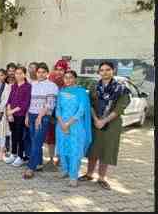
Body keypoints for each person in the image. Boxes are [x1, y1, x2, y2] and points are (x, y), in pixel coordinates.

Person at [79, 62, 130, 190]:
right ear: (99, 72)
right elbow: (88, 104)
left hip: (111, 124)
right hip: (94, 123)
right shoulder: (94, 86)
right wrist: (96, 119)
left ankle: (101, 178)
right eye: (102, 70)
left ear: (113, 71)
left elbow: (120, 108)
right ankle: (89, 174)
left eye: (108, 69)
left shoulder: (121, 88)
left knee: (106, 150)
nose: (105, 72)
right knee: (93, 149)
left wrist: (104, 120)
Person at [55, 70, 92, 187]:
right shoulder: (61, 91)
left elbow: (81, 110)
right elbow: (58, 109)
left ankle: (73, 175)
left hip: (75, 126)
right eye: (66, 77)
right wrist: (61, 122)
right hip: (61, 125)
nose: (68, 80)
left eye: (70, 77)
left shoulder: (81, 92)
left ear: (75, 78)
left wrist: (68, 124)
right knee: (62, 149)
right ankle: (65, 170)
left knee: (74, 150)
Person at [23, 62, 59, 180]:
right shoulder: (32, 84)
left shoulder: (52, 86)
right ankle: (38, 163)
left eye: (43, 72)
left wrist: (40, 117)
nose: (41, 74)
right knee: (34, 141)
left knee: (37, 142)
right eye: (39, 72)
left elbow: (50, 104)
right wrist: (27, 116)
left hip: (43, 117)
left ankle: (30, 168)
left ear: (47, 73)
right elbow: (28, 101)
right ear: (36, 73)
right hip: (31, 115)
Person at [44, 59, 70, 171]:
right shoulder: (50, 81)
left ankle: (60, 158)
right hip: (51, 113)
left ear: (65, 70)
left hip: (64, 115)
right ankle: (50, 159)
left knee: (62, 136)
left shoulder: (68, 83)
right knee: (50, 137)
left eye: (61, 70)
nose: (59, 72)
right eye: (57, 69)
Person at [5, 66, 32, 167]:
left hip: (20, 115)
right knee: (13, 135)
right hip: (11, 115)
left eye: (20, 73)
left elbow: (25, 103)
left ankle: (21, 156)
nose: (18, 75)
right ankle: (13, 154)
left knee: (20, 136)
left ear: (24, 74)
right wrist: (9, 111)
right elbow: (9, 100)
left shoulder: (28, 86)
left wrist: (12, 111)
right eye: (17, 73)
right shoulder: (14, 86)